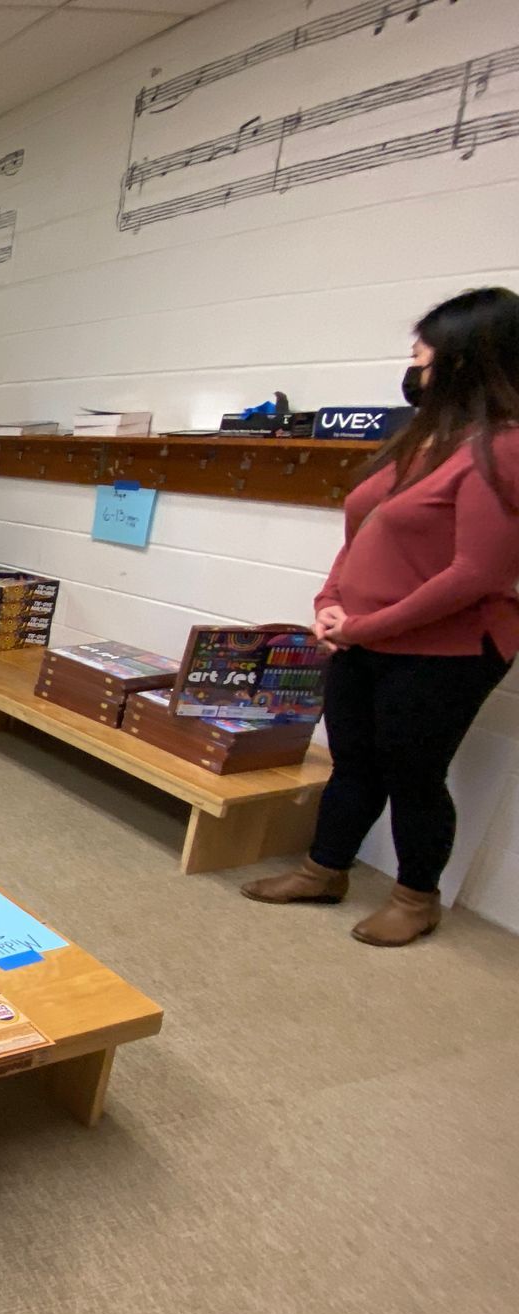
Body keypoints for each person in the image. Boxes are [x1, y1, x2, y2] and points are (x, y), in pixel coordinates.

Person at [241, 286, 519, 945]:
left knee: (413, 772)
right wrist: (329, 602)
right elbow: (361, 532)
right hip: (363, 637)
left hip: (444, 650)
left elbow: (476, 573)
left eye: (422, 353)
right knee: (353, 760)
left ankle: (416, 899)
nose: (413, 366)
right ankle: (323, 869)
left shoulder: (503, 447)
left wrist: (364, 626)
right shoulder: (424, 439)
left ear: (464, 359)